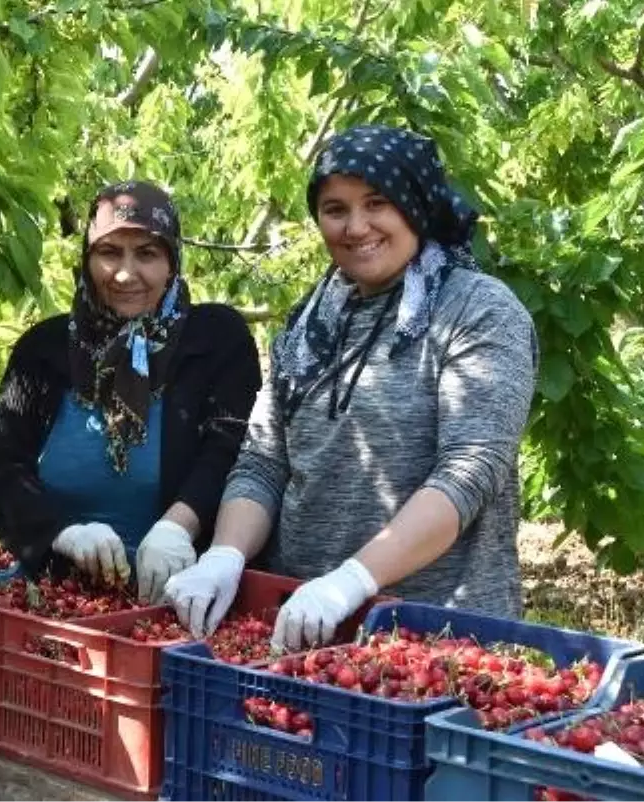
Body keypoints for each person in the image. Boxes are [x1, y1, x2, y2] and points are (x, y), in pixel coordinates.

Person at [164, 124, 538, 650]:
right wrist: (225, 554)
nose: (356, 226)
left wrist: (352, 581)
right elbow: (264, 461)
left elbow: (470, 470)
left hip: (437, 636)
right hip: (300, 623)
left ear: (415, 204)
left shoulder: (478, 311)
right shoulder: (310, 322)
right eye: (335, 209)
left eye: (377, 203)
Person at [0, 181, 262, 603]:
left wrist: (178, 526)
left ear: (171, 261)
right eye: (109, 253)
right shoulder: (44, 349)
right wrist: (61, 533)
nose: (127, 273)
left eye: (147, 253)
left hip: (184, 592)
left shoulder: (216, 338)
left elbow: (232, 446)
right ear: (87, 260)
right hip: (62, 594)